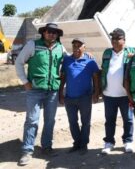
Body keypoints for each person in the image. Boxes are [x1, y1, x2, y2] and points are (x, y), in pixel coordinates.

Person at [15, 23, 66, 166]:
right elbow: (19, 63)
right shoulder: (33, 45)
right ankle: (27, 150)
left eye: (54, 32)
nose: (52, 34)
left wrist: (86, 54)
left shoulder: (60, 48)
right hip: (35, 90)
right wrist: (25, 81)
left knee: (50, 121)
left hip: (52, 91)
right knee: (32, 120)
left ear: (57, 35)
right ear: (44, 33)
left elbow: (69, 61)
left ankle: (47, 147)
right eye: (49, 31)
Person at [59, 38, 100, 155]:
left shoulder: (90, 61)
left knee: (86, 122)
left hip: (85, 97)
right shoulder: (67, 60)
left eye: (79, 46)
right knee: (72, 122)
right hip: (69, 98)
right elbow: (63, 78)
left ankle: (84, 145)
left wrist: (96, 93)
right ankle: (77, 143)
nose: (76, 48)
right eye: (74, 46)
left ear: (84, 48)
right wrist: (61, 94)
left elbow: (95, 78)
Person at [100, 28, 135, 154]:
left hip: (125, 95)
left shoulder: (131, 52)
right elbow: (102, 71)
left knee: (128, 119)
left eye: (117, 38)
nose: (114, 41)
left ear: (124, 40)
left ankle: (128, 141)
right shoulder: (107, 53)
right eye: (113, 38)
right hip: (109, 94)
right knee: (109, 120)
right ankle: (109, 142)